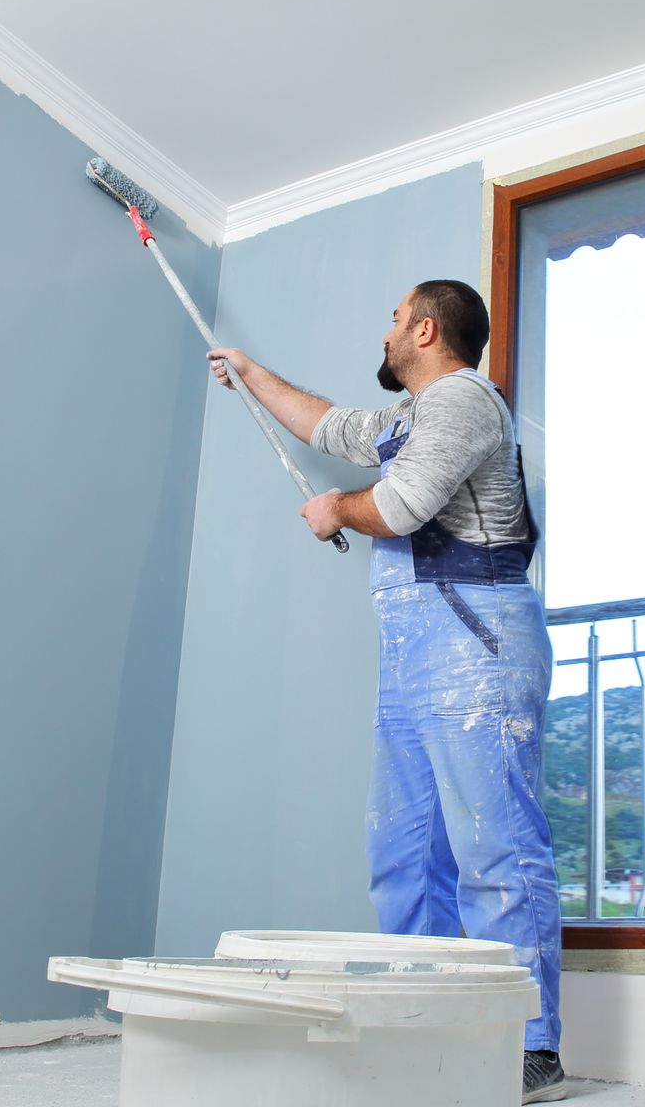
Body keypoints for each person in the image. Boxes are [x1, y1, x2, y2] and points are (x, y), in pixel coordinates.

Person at [206, 279, 566, 1103]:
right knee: (403, 855)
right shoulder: (409, 420)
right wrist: (252, 374)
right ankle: (430, 1027)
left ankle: (527, 1043)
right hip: (416, 652)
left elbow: (401, 507)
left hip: (477, 642)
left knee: (495, 846)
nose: (387, 330)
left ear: (426, 329)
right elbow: (328, 423)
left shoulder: (465, 401)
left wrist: (334, 507)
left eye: (395, 320)